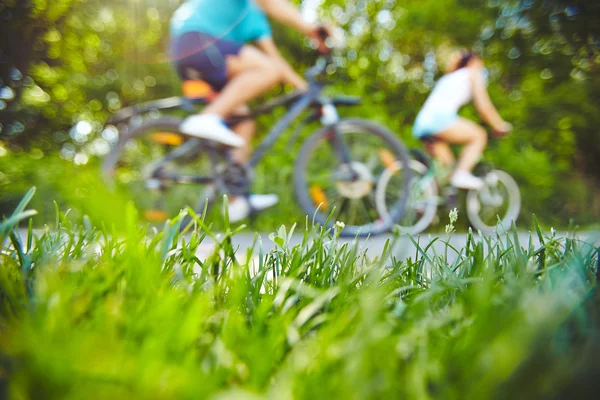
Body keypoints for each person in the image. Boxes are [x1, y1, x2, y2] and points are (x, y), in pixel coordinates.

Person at [169, 0, 329, 221]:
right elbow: (271, 4)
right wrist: (311, 29)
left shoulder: (254, 17)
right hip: (198, 39)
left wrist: (304, 89)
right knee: (267, 71)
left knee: (244, 120)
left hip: (194, 47)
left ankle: (237, 198)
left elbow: (276, 61)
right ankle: (208, 117)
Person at [413, 50, 512, 190]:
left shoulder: (449, 77)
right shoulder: (472, 73)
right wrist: (498, 125)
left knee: (447, 169)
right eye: (480, 63)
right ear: (472, 62)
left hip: (422, 123)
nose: (481, 67)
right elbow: (484, 106)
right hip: (439, 120)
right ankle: (462, 174)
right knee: (479, 135)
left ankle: (423, 198)